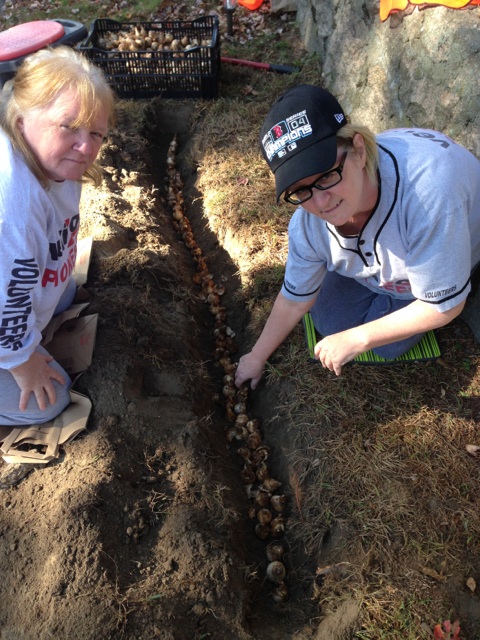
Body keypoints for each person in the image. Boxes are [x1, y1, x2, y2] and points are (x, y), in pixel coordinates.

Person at [235, 84, 480, 389]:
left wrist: (360, 337)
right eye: (300, 190)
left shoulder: (429, 199)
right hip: (387, 259)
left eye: (326, 175)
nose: (321, 202)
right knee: (327, 320)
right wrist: (256, 357)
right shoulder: (308, 224)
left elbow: (445, 306)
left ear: (359, 150)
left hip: (441, 248)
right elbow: (294, 300)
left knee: (386, 345)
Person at [0, 46, 115, 428]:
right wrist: (22, 360)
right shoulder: (13, 209)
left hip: (16, 291)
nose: (86, 147)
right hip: (3, 311)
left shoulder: (53, 161)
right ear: (20, 121)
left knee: (64, 292)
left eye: (96, 132)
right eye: (69, 127)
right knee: (51, 399)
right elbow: (7, 300)